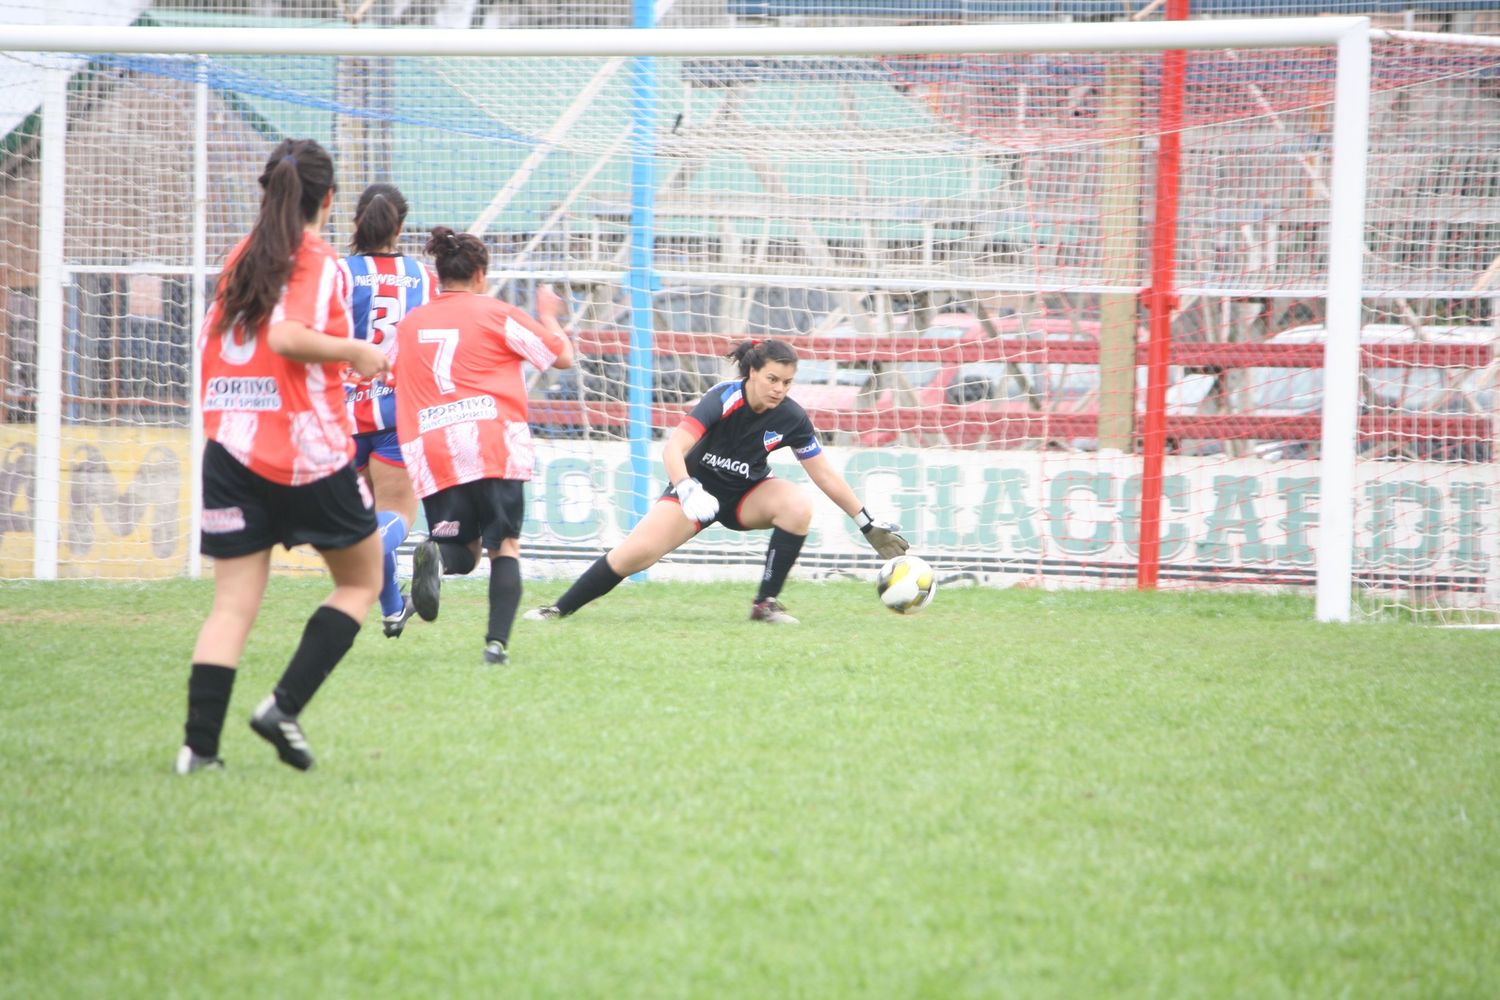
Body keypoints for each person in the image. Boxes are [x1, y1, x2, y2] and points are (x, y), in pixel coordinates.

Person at [175, 138, 390, 775]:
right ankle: (283, 707)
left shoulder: (241, 256)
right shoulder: (314, 258)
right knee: (362, 580)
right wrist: (357, 352)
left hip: (231, 448)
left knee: (232, 606)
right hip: (303, 452)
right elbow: (287, 336)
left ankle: (199, 750)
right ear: (328, 200)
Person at [524, 338, 908, 626]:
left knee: (797, 506)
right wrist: (686, 488)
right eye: (772, 378)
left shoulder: (791, 417)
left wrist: (864, 520)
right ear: (752, 372)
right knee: (634, 556)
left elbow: (823, 473)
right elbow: (674, 448)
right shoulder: (723, 397)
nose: (779, 388)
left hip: (746, 496)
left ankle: (765, 605)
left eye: (787, 382)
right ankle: (557, 609)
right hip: (694, 491)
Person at [392, 227, 574, 665]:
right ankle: (496, 645)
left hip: (433, 447)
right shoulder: (496, 313)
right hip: (491, 442)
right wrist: (548, 315)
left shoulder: (410, 324)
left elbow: (390, 375)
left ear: (440, 276)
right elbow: (561, 357)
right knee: (504, 548)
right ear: (479, 274)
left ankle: (434, 562)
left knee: (463, 553)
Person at [338, 183, 436, 639]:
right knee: (395, 512)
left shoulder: (339, 273)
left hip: (343, 412)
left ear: (357, 222)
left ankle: (393, 608)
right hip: (399, 410)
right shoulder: (423, 275)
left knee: (369, 514)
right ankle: (373, 560)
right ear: (400, 226)